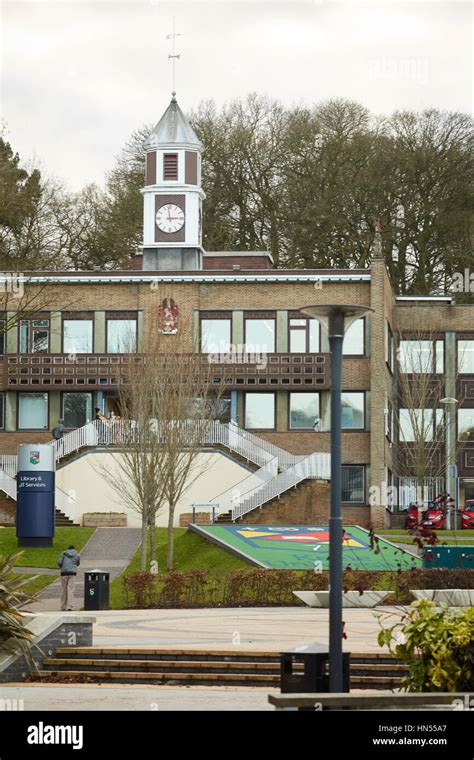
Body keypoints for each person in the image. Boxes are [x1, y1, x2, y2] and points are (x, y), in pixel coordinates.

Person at [58, 545, 80, 611]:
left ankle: (63, 606)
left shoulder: (63, 554)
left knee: (63, 589)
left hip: (64, 573)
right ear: (74, 549)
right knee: (70, 589)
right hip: (72, 573)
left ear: (68, 549)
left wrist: (63, 567)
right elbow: (78, 563)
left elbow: (59, 563)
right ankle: (70, 606)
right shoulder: (77, 555)